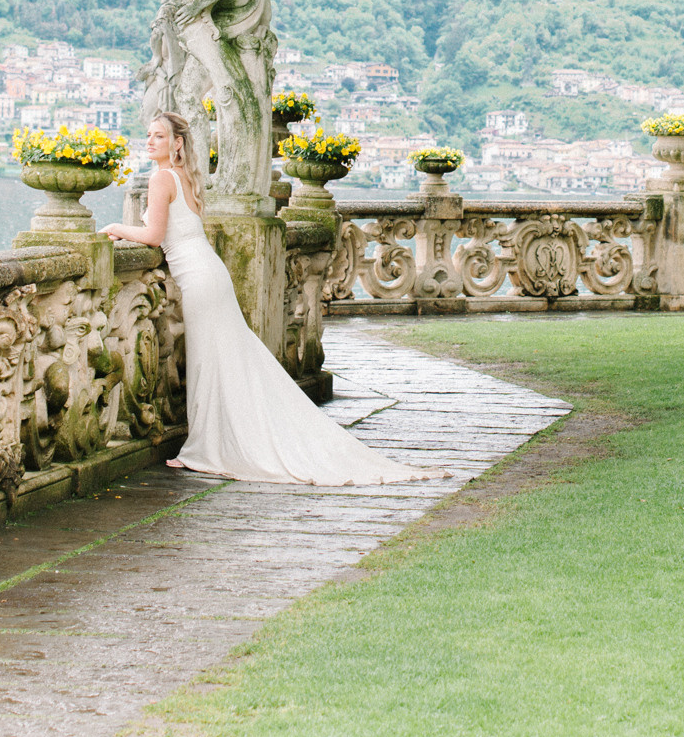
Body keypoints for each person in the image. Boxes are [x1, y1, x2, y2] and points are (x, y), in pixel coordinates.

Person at [104, 112, 444, 485]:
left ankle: (208, 448)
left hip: (199, 280)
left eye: (158, 136)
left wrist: (115, 229)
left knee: (210, 362)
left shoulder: (160, 177)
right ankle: (211, 444)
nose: (150, 142)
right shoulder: (185, 176)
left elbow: (154, 236)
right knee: (227, 359)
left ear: (177, 142)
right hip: (210, 273)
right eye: (149, 135)